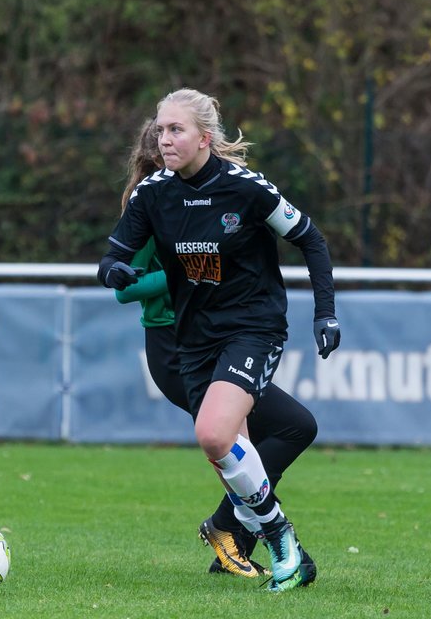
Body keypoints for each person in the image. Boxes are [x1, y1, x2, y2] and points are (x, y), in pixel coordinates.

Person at [98, 89, 340, 592]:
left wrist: (325, 313)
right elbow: (114, 256)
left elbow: (310, 239)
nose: (164, 139)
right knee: (235, 451)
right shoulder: (153, 194)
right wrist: (115, 272)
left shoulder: (245, 189)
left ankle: (279, 542)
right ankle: (283, 549)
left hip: (253, 326)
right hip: (192, 340)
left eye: (176, 130)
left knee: (214, 434)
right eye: (161, 130)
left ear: (205, 138)